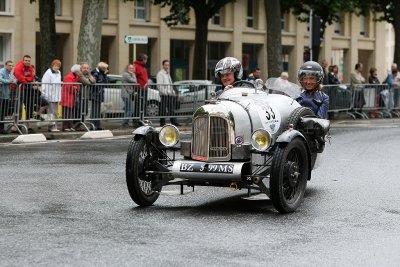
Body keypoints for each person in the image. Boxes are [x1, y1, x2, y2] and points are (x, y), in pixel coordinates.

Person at [13, 55, 36, 132]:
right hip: (18, 90)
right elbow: (19, 77)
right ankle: (16, 126)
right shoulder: (19, 66)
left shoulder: (30, 68)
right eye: (26, 60)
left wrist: (25, 79)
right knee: (18, 108)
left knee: (28, 108)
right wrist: (26, 80)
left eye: (29, 61)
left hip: (27, 90)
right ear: (23, 60)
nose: (27, 62)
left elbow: (32, 77)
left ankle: (27, 126)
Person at [41, 59, 62, 132]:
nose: (57, 67)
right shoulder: (48, 72)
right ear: (52, 65)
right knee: (51, 112)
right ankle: (51, 126)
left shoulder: (59, 72)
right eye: (56, 65)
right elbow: (45, 83)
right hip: (49, 95)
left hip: (56, 95)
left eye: (58, 66)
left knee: (55, 112)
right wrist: (45, 94)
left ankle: (54, 126)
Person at [157, 59, 179, 126]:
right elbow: (159, 84)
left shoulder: (167, 73)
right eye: (166, 65)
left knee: (171, 108)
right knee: (163, 109)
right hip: (164, 94)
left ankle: (174, 122)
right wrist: (164, 92)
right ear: (163, 65)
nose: (167, 66)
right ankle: (162, 122)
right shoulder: (160, 74)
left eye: (168, 65)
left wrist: (172, 91)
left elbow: (170, 83)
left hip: (169, 93)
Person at [61, 64, 81, 131]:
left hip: (70, 96)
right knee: (67, 111)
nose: (80, 72)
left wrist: (75, 88)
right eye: (79, 70)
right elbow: (70, 87)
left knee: (70, 112)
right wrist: (75, 88)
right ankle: (66, 126)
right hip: (67, 96)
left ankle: (69, 126)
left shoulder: (75, 77)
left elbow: (77, 87)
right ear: (76, 71)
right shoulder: (69, 77)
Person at [0, 60, 17, 134]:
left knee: (3, 113)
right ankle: (1, 129)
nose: (11, 67)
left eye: (12, 65)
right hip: (1, 94)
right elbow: (0, 79)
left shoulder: (11, 73)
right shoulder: (2, 71)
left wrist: (12, 81)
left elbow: (15, 80)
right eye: (9, 65)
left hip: (6, 95)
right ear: (5, 65)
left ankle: (2, 128)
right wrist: (9, 81)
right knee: (0, 112)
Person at [90, 62, 108, 130]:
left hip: (100, 93)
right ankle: (93, 125)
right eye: (104, 68)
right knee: (95, 110)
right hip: (95, 93)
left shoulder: (102, 73)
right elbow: (96, 82)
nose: (105, 70)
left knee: (98, 110)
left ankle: (97, 124)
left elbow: (106, 82)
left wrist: (105, 75)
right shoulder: (95, 73)